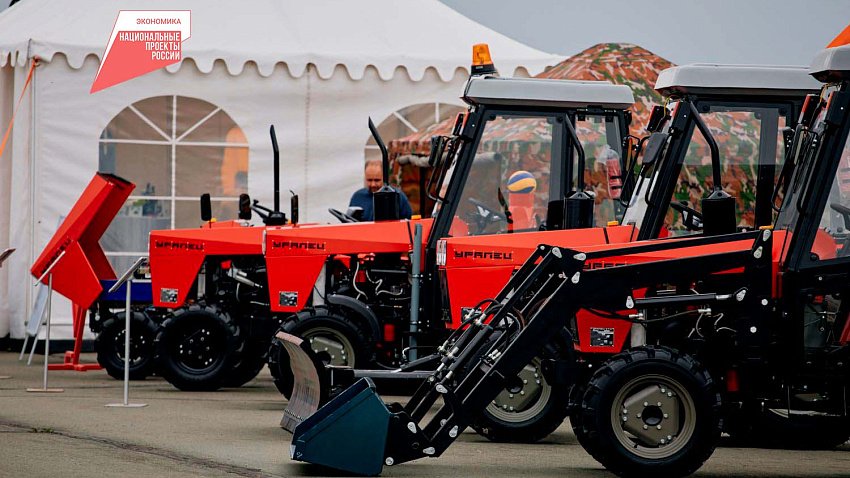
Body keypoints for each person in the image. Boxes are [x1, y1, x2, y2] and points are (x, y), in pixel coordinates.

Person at [348, 160, 413, 221]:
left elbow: (409, 223)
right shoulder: (357, 197)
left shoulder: (398, 197)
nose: (373, 184)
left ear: (386, 178)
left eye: (377, 180)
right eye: (369, 180)